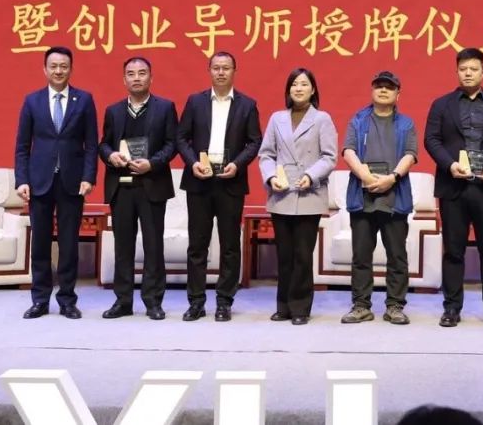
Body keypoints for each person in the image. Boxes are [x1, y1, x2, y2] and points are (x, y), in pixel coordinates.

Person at [425, 47, 483, 329]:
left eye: (473, 69)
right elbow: (431, 140)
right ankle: (452, 308)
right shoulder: (441, 105)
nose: (468, 73)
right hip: (453, 186)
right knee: (453, 251)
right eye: (463, 69)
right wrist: (450, 165)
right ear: (457, 72)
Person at [176, 52, 262, 322]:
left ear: (235, 71)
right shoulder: (195, 101)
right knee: (197, 245)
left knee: (230, 246)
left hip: (230, 182)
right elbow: (181, 138)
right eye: (216, 68)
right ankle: (196, 302)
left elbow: (254, 142)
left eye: (226, 68)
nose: (221, 72)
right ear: (209, 70)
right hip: (199, 182)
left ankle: (224, 301)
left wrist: (237, 164)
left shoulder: (247, 104)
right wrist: (192, 163)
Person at [14, 46, 98, 320]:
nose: (58, 71)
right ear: (45, 69)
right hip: (39, 182)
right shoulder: (32, 101)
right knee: (40, 244)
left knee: (69, 243)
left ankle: (67, 300)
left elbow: (91, 145)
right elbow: (22, 146)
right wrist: (21, 180)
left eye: (64, 66)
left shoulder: (83, 100)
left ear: (70, 69)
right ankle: (39, 300)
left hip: (72, 182)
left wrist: (88, 177)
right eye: (54, 66)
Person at [97, 57, 178, 321]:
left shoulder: (165, 107)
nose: (137, 78)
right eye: (131, 74)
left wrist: (152, 164)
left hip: (152, 184)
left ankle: (153, 301)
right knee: (123, 246)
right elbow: (104, 144)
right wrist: (110, 156)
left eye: (142, 73)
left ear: (151, 78)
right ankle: (123, 301)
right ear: (124, 80)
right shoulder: (113, 111)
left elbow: (172, 144)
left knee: (153, 245)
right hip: (121, 187)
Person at [258, 68, 338, 325]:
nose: (299, 88)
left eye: (304, 84)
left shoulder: (322, 119)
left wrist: (311, 176)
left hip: (309, 193)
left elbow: (329, 157)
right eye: (294, 84)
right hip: (281, 193)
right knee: (284, 254)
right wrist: (271, 177)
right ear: (288, 90)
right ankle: (283, 306)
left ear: (313, 90)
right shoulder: (277, 118)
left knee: (302, 254)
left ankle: (300, 307)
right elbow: (266, 154)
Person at [339, 70, 417, 326]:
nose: (383, 90)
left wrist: (391, 178)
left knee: (397, 256)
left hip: (395, 197)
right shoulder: (358, 120)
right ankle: (361, 305)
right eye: (379, 86)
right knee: (361, 256)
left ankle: (395, 306)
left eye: (389, 87)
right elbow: (348, 150)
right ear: (372, 91)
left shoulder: (406, 124)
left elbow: (410, 154)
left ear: (398, 94)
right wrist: (365, 175)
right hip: (363, 197)